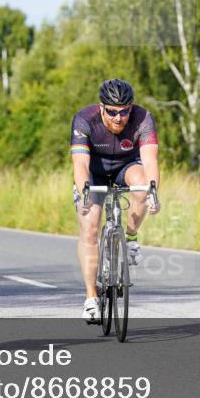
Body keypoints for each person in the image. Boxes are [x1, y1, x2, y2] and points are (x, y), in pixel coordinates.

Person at [70, 78, 161, 323]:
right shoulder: (84, 119)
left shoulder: (143, 119)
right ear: (101, 107)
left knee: (141, 185)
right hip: (94, 172)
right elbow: (80, 163)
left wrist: (153, 191)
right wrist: (85, 192)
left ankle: (130, 236)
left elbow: (150, 160)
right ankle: (91, 298)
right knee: (90, 227)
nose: (118, 118)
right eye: (112, 112)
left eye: (124, 112)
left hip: (126, 167)